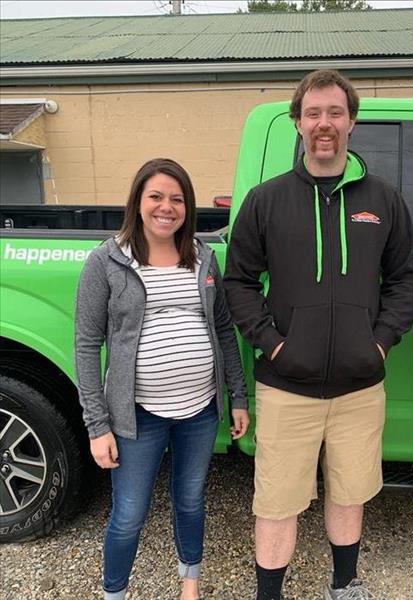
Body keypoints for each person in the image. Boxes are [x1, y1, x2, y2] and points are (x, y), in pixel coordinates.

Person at [224, 69, 413, 600]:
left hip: (359, 387)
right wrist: (274, 343)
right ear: (297, 123)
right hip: (287, 385)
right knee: (277, 502)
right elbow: (238, 282)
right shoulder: (266, 201)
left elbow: (405, 279)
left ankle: (344, 585)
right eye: (313, 114)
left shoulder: (382, 199)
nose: (324, 124)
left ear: (352, 122)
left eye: (335, 113)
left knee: (349, 494)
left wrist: (378, 342)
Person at [74, 158, 249, 600]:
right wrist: (98, 427)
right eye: (156, 196)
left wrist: (238, 396)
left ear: (187, 207)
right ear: (138, 201)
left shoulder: (203, 258)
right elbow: (86, 345)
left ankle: (189, 584)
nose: (166, 207)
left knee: (190, 500)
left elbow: (223, 329)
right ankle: (114, 592)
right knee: (129, 513)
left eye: (176, 199)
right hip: (137, 416)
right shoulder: (107, 261)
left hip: (200, 410)